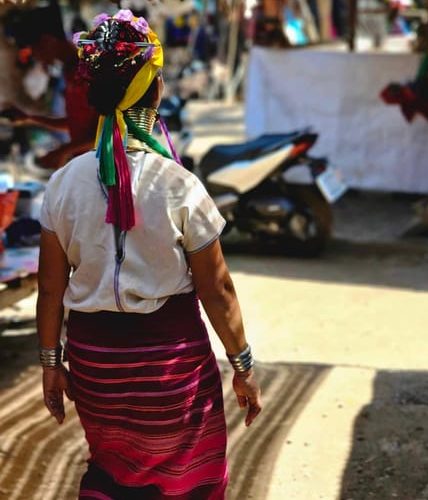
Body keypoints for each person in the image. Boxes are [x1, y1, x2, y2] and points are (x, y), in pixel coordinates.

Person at [36, 9, 262, 499]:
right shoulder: (178, 186)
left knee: (114, 472)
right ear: (152, 92)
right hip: (169, 368)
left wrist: (51, 362)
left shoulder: (62, 185)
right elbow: (217, 288)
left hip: (97, 365)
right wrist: (242, 365)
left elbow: (51, 287)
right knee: (189, 482)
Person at [3, 1, 98, 169]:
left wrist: (62, 151)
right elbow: (77, 123)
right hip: (88, 165)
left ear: (48, 40)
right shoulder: (70, 71)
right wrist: (30, 118)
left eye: (34, 49)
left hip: (105, 167)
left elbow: (109, 132)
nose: (35, 56)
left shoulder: (91, 69)